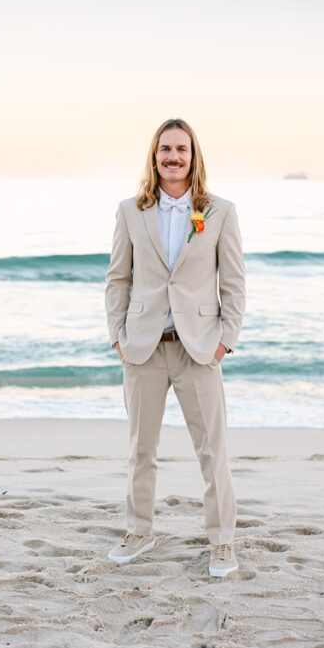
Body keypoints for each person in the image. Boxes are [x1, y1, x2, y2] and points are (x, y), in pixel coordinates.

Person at [105, 118, 246, 578]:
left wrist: (226, 340)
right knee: (140, 450)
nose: (173, 156)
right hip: (143, 347)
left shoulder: (219, 211)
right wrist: (117, 337)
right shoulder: (130, 211)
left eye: (181, 149)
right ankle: (139, 530)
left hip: (199, 349)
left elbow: (234, 281)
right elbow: (118, 278)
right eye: (165, 148)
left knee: (212, 451)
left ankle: (222, 542)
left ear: (193, 156)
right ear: (154, 155)